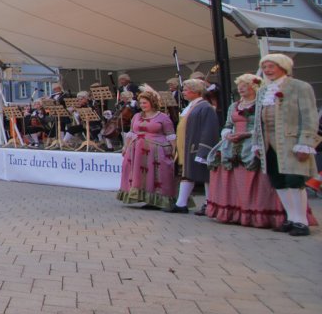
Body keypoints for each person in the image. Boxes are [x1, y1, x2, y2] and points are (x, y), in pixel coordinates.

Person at [205, 73, 317, 229]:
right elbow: (228, 124)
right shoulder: (234, 106)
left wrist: (248, 134)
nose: (241, 89)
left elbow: (263, 125)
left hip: (254, 142)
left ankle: (274, 215)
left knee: (271, 179)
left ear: (254, 87)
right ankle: (238, 212)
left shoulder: (263, 104)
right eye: (239, 86)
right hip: (233, 145)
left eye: (245, 86)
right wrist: (227, 134)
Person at [252, 54, 318, 236]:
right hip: (268, 142)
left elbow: (310, 116)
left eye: (271, 66)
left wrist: (306, 142)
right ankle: (291, 217)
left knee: (294, 180)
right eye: (265, 67)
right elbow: (258, 120)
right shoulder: (263, 91)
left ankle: (301, 221)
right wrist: (257, 143)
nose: (267, 70)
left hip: (291, 142)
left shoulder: (300, 87)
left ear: (283, 66)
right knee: (278, 180)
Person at [117, 88, 177, 210]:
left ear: (152, 103)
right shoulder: (136, 116)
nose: (142, 105)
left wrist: (173, 150)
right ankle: (144, 198)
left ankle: (157, 201)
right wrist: (125, 146)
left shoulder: (163, 117)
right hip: (136, 151)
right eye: (141, 103)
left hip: (156, 152)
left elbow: (170, 135)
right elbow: (131, 133)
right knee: (139, 176)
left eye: (145, 103)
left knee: (156, 176)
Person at [171, 79, 220, 214]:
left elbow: (209, 130)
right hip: (187, 147)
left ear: (196, 91)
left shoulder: (205, 107)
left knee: (206, 175)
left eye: (186, 90)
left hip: (197, 147)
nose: (183, 92)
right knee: (187, 174)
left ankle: (209, 204)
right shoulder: (192, 106)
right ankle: (181, 204)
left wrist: (204, 149)